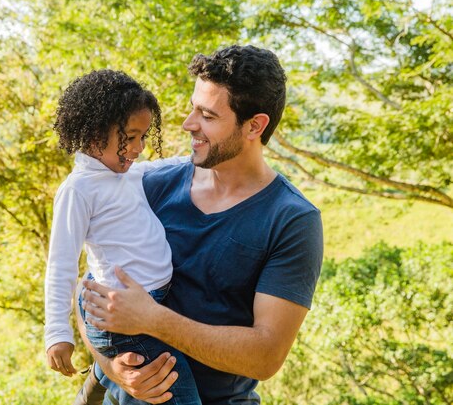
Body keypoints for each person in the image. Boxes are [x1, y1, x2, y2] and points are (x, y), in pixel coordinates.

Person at [79, 45, 324, 404]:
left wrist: (152, 319)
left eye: (207, 115)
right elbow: (88, 288)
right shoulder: (151, 184)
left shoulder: (292, 219)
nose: (188, 123)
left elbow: (266, 355)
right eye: (193, 107)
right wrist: (113, 368)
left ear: (254, 125)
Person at [44, 69, 201, 405]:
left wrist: (204, 156)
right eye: (130, 137)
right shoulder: (79, 189)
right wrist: (57, 333)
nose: (139, 148)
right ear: (95, 132)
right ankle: (102, 377)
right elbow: (60, 265)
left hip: (147, 306)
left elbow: (165, 166)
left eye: (143, 137)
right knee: (179, 391)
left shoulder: (126, 174)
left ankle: (97, 384)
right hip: (122, 320)